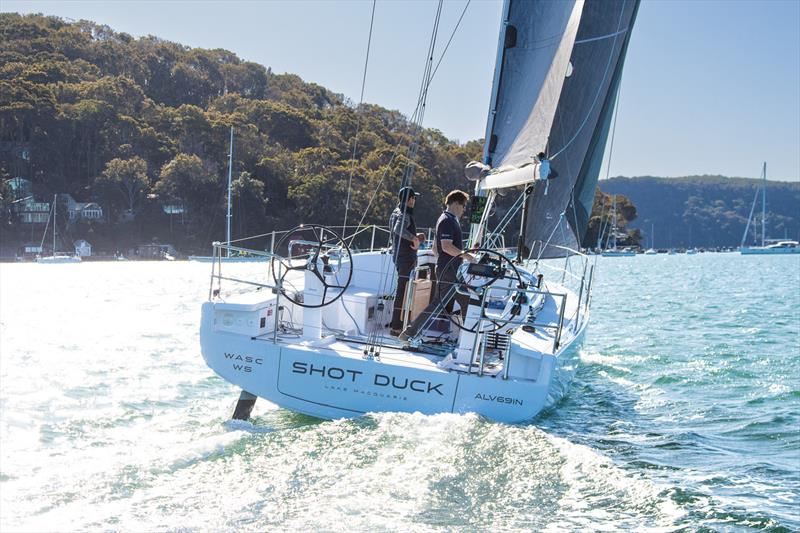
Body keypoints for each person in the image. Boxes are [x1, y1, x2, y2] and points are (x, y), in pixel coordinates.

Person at [399, 190, 474, 342]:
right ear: (455, 204)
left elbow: (435, 248)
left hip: (450, 269)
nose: (464, 210)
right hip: (449, 271)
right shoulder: (448, 221)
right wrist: (467, 256)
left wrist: (446, 262)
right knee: (439, 304)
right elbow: (446, 247)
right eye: (463, 206)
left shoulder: (445, 219)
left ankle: (469, 338)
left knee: (466, 300)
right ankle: (409, 333)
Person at [388, 186, 426, 335]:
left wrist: (416, 235)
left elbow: (396, 231)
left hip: (398, 256)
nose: (414, 201)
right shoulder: (405, 214)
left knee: (401, 290)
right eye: (414, 198)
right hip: (406, 258)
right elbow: (398, 229)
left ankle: (396, 323)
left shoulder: (395, 212)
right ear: (410, 199)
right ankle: (396, 326)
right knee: (402, 291)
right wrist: (414, 238)